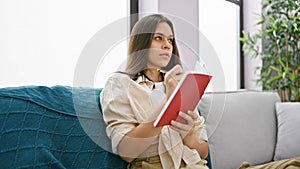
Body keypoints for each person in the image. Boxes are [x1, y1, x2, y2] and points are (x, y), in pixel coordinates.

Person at [100, 14, 209, 169]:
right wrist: (168, 103)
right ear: (141, 43)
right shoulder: (119, 82)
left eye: (170, 40)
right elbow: (127, 152)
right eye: (159, 38)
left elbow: (203, 151)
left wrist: (188, 135)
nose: (167, 45)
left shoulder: (179, 83)